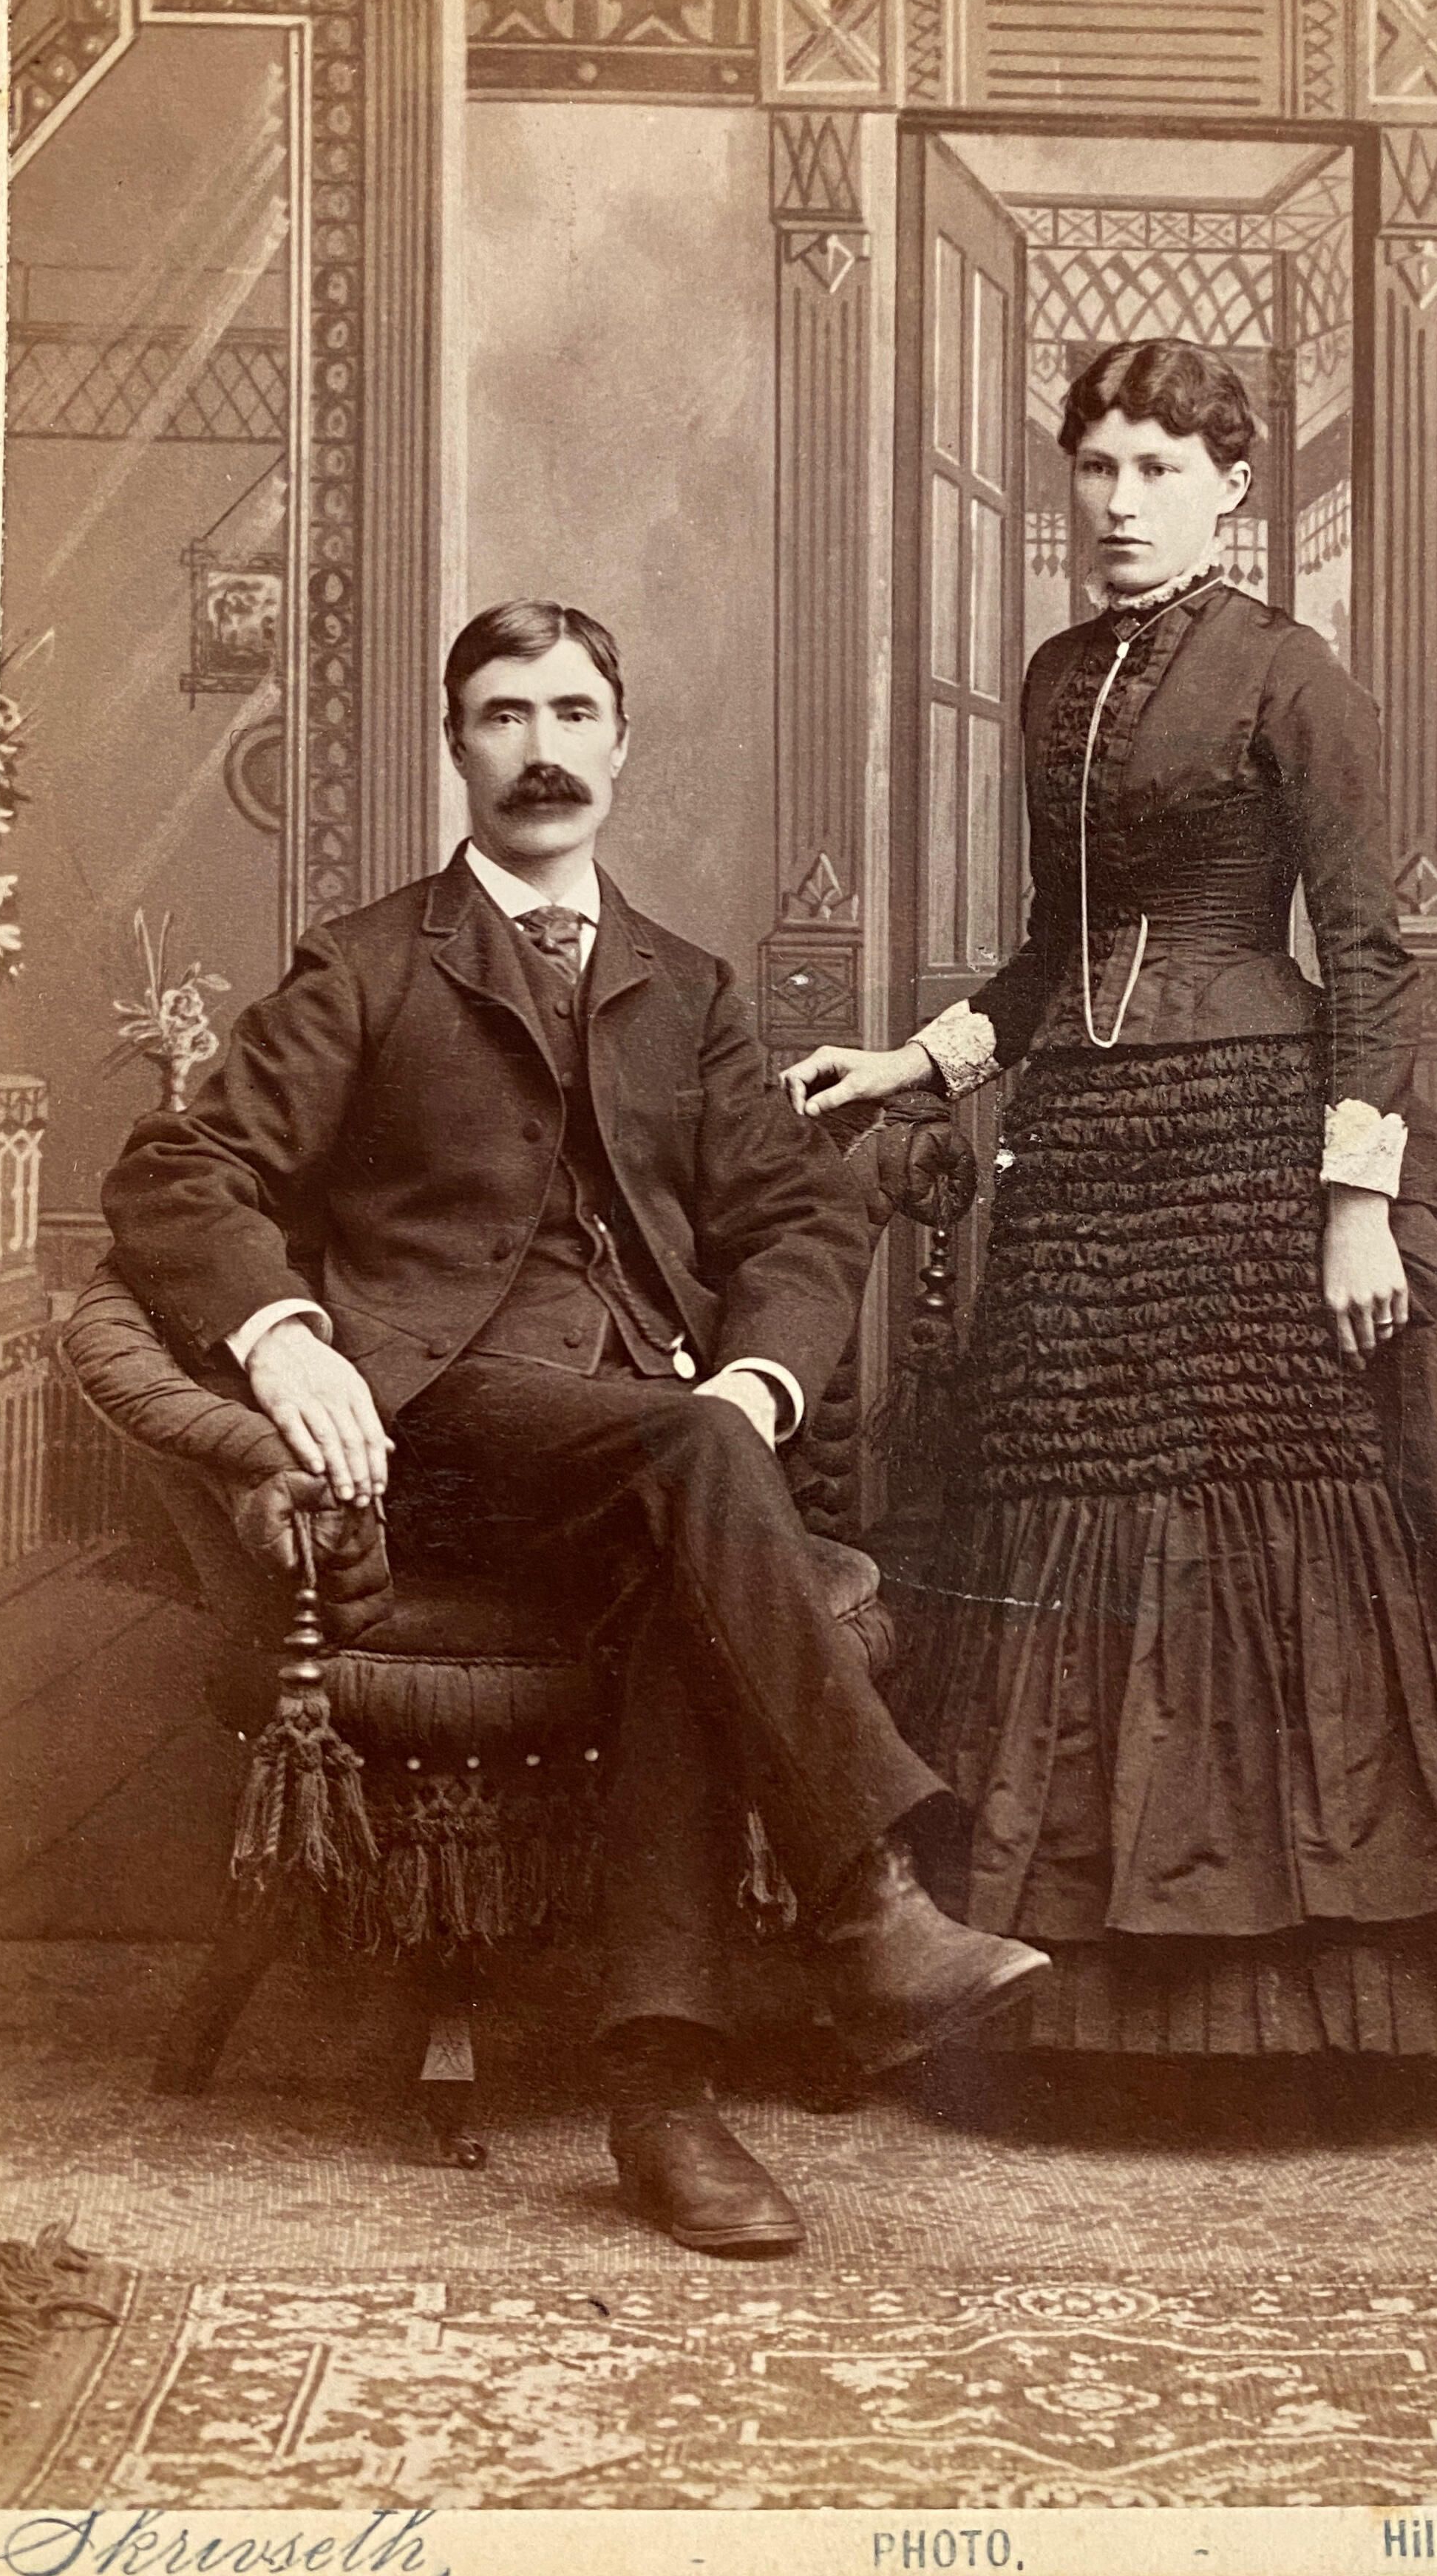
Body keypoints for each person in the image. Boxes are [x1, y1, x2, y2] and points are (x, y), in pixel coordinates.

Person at [102, 598, 1048, 2254]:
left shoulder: (689, 987)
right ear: (455, 748)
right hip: (439, 1437)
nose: (540, 751)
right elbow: (180, 1173)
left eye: (570, 714)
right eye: (502, 717)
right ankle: (867, 1906)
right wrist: (287, 1339)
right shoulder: (366, 965)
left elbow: (800, 1218)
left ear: (622, 743)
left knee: (690, 1555)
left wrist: (756, 1380)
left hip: (647, 1448)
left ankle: (661, 2102)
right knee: (697, 1467)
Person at [786, 342, 1437, 2068]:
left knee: (1253, 1498)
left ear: (1234, 485)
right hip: (1086, 1145)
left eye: (1159, 468)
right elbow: (1051, 950)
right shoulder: (1052, 677)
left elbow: (1369, 955)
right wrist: (912, 1063)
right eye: (1095, 467)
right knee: (1066, 1495)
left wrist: (1353, 1204)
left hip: (1251, 1136)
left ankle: (1300, 2008)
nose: (1119, 502)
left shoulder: (1290, 673)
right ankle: (1069, 1994)